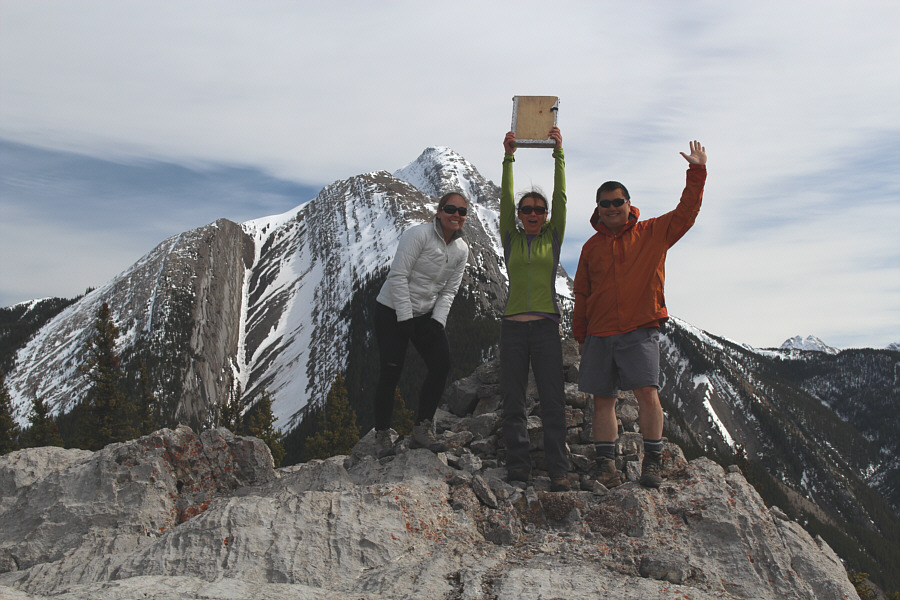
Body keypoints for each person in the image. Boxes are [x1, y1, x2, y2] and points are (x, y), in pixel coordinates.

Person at [573, 140, 707, 489]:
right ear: (598, 209)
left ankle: (653, 461)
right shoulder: (590, 247)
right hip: (600, 332)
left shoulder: (652, 232)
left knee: (648, 393)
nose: (613, 207)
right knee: (603, 400)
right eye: (606, 203)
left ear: (629, 204)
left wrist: (696, 171)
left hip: (639, 328)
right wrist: (580, 328)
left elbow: (687, 212)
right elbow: (583, 291)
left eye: (618, 202)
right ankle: (607, 466)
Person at [499, 126, 570, 491]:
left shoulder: (552, 238)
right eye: (526, 209)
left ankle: (559, 470)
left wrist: (558, 154)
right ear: (518, 214)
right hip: (512, 328)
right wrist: (509, 156)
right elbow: (504, 197)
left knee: (552, 401)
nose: (533, 213)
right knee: (513, 402)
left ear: (545, 215)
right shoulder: (509, 237)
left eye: (538, 210)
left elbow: (561, 198)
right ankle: (518, 467)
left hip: (544, 327)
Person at [372, 191, 470, 453]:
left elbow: (450, 290)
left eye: (462, 212)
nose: (456, 215)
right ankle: (381, 436)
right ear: (438, 211)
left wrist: (437, 321)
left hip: (425, 313)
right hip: (391, 309)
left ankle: (422, 429)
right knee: (391, 371)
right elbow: (398, 276)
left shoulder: (461, 249)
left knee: (441, 364)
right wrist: (404, 318)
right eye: (451, 209)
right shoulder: (418, 235)